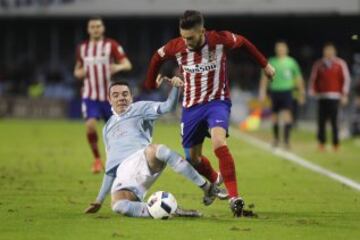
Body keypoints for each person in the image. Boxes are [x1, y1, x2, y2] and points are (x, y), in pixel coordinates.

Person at [144, 10, 275, 217]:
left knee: (218, 143)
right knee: (192, 159)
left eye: (191, 37)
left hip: (217, 102)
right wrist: (151, 83)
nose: (186, 41)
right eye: (183, 36)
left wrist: (265, 65)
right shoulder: (176, 46)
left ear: (202, 31)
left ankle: (235, 198)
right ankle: (215, 180)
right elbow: (156, 58)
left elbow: (243, 43)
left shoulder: (219, 40)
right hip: (191, 108)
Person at [84, 79, 223, 218]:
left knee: (158, 150)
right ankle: (170, 210)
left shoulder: (140, 108)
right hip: (123, 172)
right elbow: (110, 169)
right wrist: (99, 200)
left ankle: (207, 187)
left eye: (125, 94)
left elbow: (168, 107)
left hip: (142, 159)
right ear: (109, 99)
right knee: (119, 206)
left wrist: (175, 88)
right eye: (116, 95)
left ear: (131, 97)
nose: (121, 98)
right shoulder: (106, 128)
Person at [74, 16, 132, 173]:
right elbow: (77, 70)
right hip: (90, 95)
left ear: (103, 28)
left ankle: (118, 159)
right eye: (92, 27)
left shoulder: (111, 45)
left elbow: (127, 64)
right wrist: (81, 72)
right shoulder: (82, 48)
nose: (95, 29)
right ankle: (97, 159)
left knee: (115, 131)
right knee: (90, 126)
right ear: (88, 30)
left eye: (98, 26)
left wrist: (118, 67)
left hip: (109, 96)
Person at [259, 40, 305, 148]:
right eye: (278, 48)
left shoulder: (291, 62)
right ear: (276, 50)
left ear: (286, 49)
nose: (280, 50)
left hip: (287, 91)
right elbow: (264, 78)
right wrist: (262, 91)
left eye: (282, 48)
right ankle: (275, 139)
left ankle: (286, 140)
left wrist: (302, 92)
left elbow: (298, 78)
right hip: (275, 91)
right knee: (274, 116)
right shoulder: (272, 61)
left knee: (287, 115)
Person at [309, 42, 351, 151]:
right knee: (321, 121)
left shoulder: (340, 63)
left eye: (331, 50)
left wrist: (344, 95)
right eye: (326, 50)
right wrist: (312, 90)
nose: (328, 52)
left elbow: (346, 79)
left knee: (334, 121)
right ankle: (321, 143)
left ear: (334, 51)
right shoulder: (319, 64)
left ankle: (335, 144)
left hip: (335, 97)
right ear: (324, 52)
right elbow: (313, 79)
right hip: (322, 97)